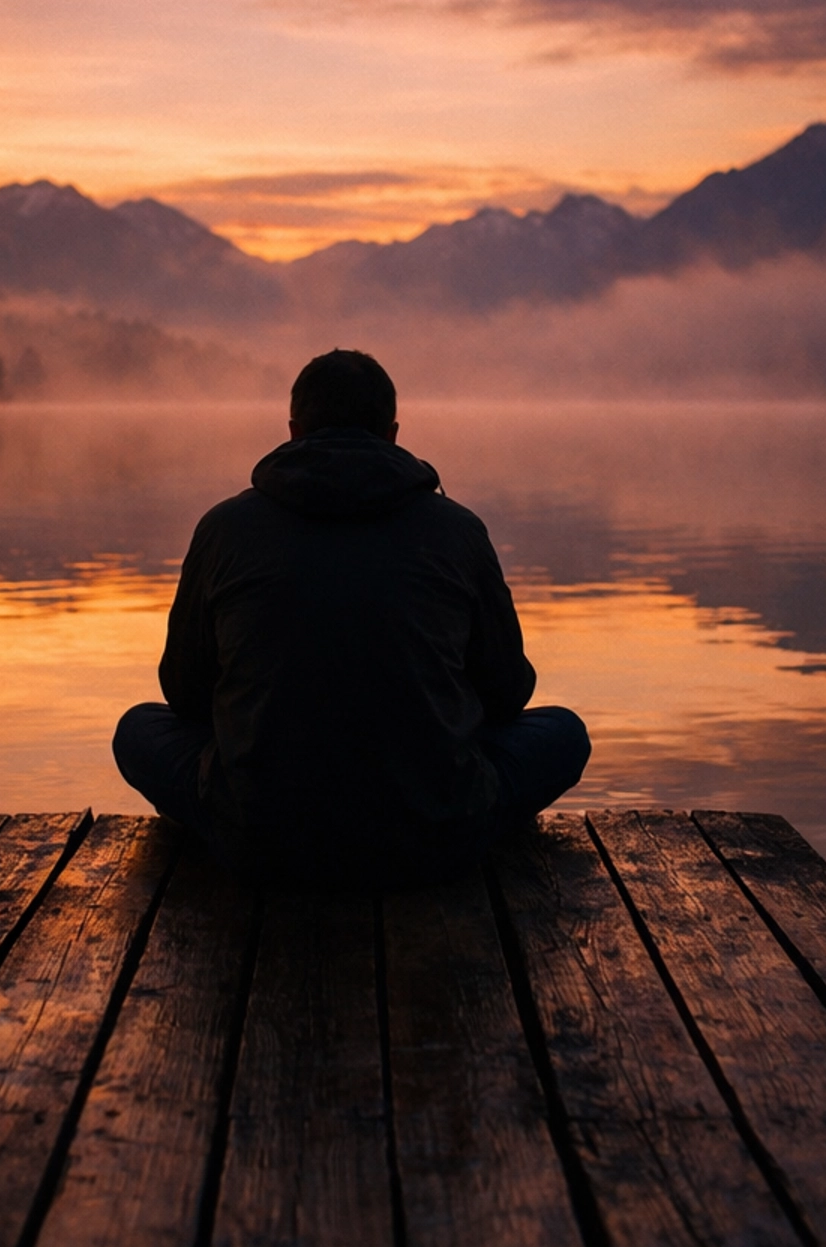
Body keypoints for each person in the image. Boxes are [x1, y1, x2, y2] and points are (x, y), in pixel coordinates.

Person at [113, 349, 590, 881]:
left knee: (138, 729)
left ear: (293, 430)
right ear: (392, 433)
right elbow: (507, 693)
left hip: (259, 836)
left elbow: (184, 693)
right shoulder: (457, 530)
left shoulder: (225, 528)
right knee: (563, 732)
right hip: (435, 834)